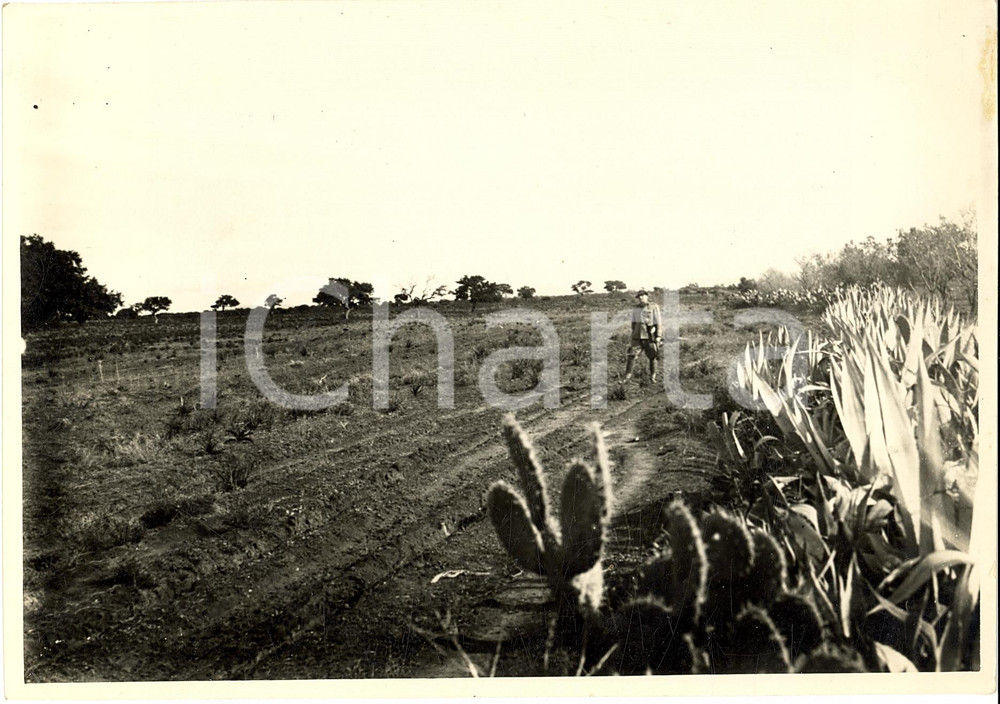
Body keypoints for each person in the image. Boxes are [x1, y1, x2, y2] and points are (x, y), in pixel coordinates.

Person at [624, 290, 662, 383]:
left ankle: (653, 377)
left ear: (647, 296)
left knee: (652, 356)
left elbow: (658, 322)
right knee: (631, 355)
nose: (641, 298)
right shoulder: (636, 308)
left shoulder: (653, 307)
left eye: (642, 296)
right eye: (639, 296)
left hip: (649, 336)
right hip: (637, 336)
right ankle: (627, 377)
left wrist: (658, 336)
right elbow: (633, 323)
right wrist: (633, 333)